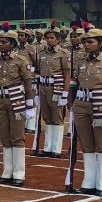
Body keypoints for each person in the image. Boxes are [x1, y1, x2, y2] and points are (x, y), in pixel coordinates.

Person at [71, 27, 102, 196]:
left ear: (100, 43)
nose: (86, 45)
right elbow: (75, 84)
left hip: (100, 104)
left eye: (90, 42)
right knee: (86, 144)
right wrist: (72, 105)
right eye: (85, 42)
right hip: (81, 103)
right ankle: (89, 181)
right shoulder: (80, 62)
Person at [0, 29, 35, 186]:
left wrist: (30, 105)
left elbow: (28, 84)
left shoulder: (21, 60)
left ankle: (19, 173)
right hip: (0, 99)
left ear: (13, 44)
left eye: (4, 42)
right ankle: (7, 171)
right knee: (4, 136)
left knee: (17, 136)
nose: (0, 45)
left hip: (16, 99)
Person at [36, 23, 71, 158]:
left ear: (58, 39)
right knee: (47, 117)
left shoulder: (63, 53)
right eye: (48, 38)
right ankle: (47, 147)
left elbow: (67, 74)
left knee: (57, 118)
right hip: (43, 87)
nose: (49, 40)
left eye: (52, 38)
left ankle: (56, 148)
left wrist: (65, 93)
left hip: (56, 87)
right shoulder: (42, 53)